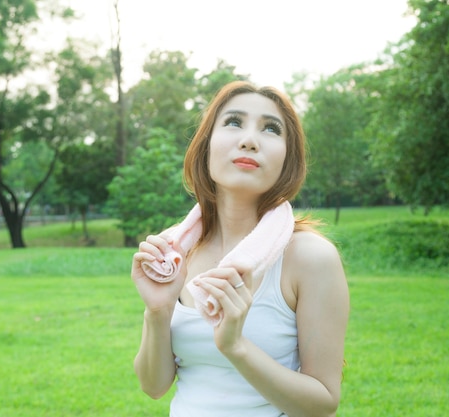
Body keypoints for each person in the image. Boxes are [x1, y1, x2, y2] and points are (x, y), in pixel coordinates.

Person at [131, 80, 350, 417]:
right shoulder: (175, 250)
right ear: (206, 146)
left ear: (287, 159)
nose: (249, 140)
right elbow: (154, 386)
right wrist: (158, 312)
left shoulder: (310, 257)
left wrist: (236, 347)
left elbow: (322, 403)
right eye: (234, 122)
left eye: (271, 129)